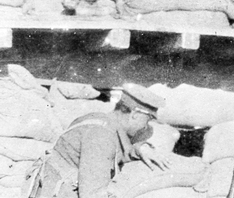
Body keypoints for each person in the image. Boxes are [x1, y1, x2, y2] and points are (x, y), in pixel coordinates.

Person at [24, 83, 171, 198]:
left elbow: (120, 153)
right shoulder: (100, 136)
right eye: (148, 119)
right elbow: (92, 194)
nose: (146, 127)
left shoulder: (101, 121)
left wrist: (141, 148)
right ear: (135, 114)